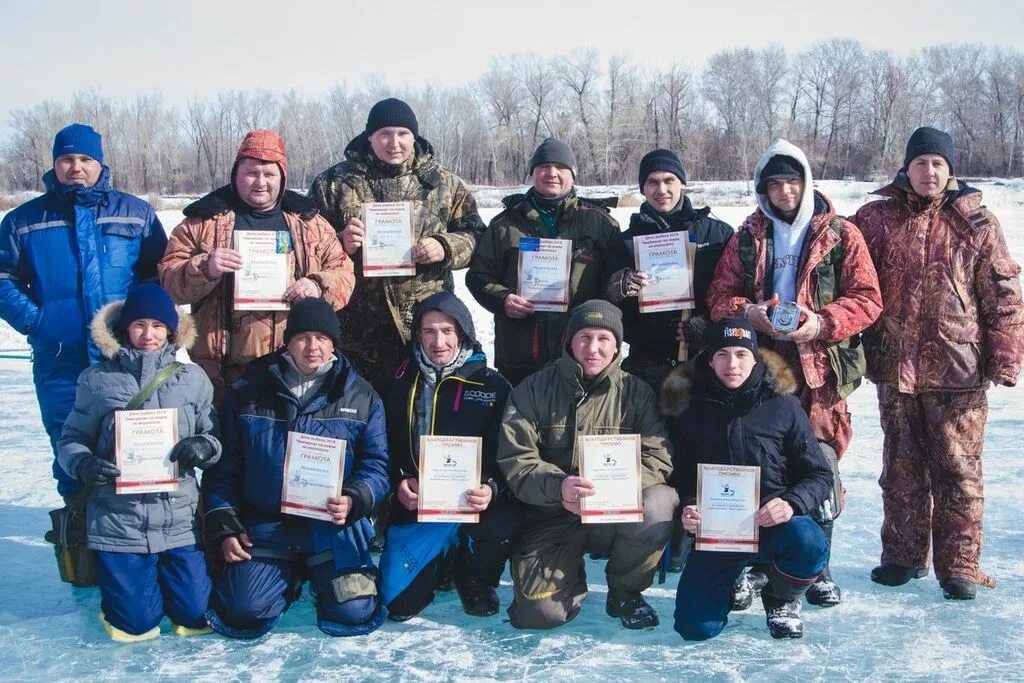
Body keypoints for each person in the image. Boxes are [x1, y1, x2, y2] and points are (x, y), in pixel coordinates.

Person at [705, 138, 881, 607]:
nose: (785, 191)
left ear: (806, 182)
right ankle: (755, 565)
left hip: (819, 373)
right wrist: (750, 314)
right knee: (756, 462)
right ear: (763, 189)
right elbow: (719, 296)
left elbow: (868, 299)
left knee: (819, 462)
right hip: (761, 371)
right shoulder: (746, 237)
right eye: (775, 183)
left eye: (792, 181)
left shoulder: (841, 234)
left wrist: (821, 323)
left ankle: (816, 564)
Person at [853, 126, 1024, 600]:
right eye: (921, 163)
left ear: (951, 171)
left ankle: (960, 565)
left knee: (958, 471)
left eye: (938, 164)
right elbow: (840, 257)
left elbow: (1004, 295)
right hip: (894, 369)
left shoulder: (978, 222)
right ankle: (903, 557)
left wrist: (1005, 356)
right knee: (901, 469)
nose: (929, 172)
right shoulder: (876, 218)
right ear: (906, 168)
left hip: (959, 369)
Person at [202, 297, 390, 638]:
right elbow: (223, 465)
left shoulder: (361, 395)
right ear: (287, 341)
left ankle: (319, 576)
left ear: (334, 342)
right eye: (303, 337)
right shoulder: (249, 390)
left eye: (321, 337)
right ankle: (285, 580)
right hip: (266, 525)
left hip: (332, 529)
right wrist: (225, 524)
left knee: (353, 611)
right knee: (243, 611)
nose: (312, 346)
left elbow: (376, 466)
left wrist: (354, 499)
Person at [0, 123, 167, 500]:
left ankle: (129, 549)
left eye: (85, 159)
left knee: (136, 456)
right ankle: (76, 547)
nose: (76, 167)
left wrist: (143, 330)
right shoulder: (23, 221)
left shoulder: (135, 214)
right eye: (66, 159)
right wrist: (36, 321)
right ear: (55, 164)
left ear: (100, 163)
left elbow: (156, 278)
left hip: (125, 358)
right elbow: (3, 277)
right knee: (71, 454)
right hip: (61, 359)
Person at [497, 300, 677, 629]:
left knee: (660, 502)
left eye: (603, 339)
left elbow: (658, 456)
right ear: (569, 341)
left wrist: (615, 491)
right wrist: (557, 487)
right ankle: (567, 573)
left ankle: (625, 591)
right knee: (539, 615)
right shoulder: (534, 389)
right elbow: (516, 458)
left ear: (616, 345)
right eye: (584, 337)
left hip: (615, 515)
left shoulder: (637, 393)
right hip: (551, 515)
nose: (592, 348)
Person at [57, 284, 220, 641]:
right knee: (134, 626)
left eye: (158, 326)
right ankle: (126, 597)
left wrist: (204, 447)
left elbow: (214, 434)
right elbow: (70, 440)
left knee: (195, 617)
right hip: (119, 522)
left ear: (172, 330)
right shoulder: (97, 380)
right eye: (139, 325)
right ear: (124, 329)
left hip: (178, 521)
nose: (149, 335)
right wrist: (83, 464)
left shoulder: (192, 379)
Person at [665, 318, 832, 640]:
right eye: (723, 355)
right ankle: (732, 580)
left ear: (755, 359)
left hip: (775, 526)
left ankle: (781, 598)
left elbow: (819, 473)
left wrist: (791, 503)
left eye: (742, 355)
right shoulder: (690, 409)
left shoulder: (783, 405)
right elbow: (682, 475)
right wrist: (688, 506)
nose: (732, 364)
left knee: (808, 541)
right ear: (710, 360)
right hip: (720, 534)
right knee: (695, 628)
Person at [159, 129, 353, 404]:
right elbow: (168, 282)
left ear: (282, 178)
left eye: (269, 174)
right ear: (236, 175)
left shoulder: (311, 224)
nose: (260, 182)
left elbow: (344, 273)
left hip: (294, 371)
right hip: (222, 378)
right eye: (251, 173)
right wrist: (206, 268)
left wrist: (317, 285)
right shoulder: (202, 223)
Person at [309, 98, 484, 387]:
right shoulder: (334, 183)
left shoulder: (443, 183)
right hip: (356, 328)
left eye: (403, 134)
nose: (394, 143)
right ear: (370, 137)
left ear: (414, 136)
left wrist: (445, 246)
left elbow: (476, 235)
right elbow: (307, 245)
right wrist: (341, 243)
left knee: (420, 414)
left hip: (425, 325)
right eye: (385, 134)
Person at [377, 291, 518, 620]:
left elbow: (509, 453)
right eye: (428, 331)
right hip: (418, 503)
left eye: (447, 331)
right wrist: (399, 482)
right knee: (398, 604)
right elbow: (380, 448)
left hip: (472, 504)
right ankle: (439, 562)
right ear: (418, 335)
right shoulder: (396, 382)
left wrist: (492, 487)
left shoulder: (492, 385)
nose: (437, 341)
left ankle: (475, 577)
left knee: (504, 520)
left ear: (463, 333)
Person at [467, 139, 620, 386]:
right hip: (521, 354)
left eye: (560, 166)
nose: (552, 173)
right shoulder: (505, 224)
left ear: (573, 173)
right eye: (544, 166)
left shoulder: (601, 224)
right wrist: (502, 299)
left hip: (582, 355)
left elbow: (612, 283)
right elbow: (478, 276)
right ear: (532, 173)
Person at [603, 148, 733, 392]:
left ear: (681, 183)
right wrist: (616, 290)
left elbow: (734, 294)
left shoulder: (717, 235)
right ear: (643, 188)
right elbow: (608, 306)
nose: (661, 190)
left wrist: (708, 325)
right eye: (652, 182)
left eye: (668, 180)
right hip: (646, 366)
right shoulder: (624, 242)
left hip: (704, 364)